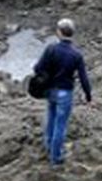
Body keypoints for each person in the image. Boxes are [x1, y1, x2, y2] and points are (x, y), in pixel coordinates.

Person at [33, 18, 92, 167]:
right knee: (60, 125)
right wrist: (88, 96)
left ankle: (48, 146)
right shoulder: (76, 55)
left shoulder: (51, 49)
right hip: (65, 92)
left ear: (59, 32)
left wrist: (46, 77)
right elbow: (84, 78)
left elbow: (38, 68)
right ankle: (56, 158)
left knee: (51, 118)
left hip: (50, 90)